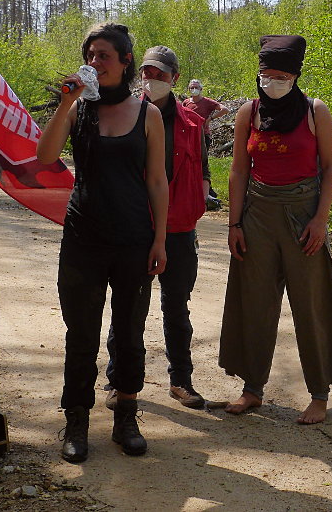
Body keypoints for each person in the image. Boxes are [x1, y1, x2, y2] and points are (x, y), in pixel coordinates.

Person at [37, 23, 168, 463]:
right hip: (83, 238)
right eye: (90, 55)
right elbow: (46, 156)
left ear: (126, 61)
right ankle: (76, 421)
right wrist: (66, 103)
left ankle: (125, 416)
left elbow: (156, 180)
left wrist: (161, 240)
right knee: (81, 333)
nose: (95, 63)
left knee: (129, 333)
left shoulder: (147, 114)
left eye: (104, 56)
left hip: (133, 239)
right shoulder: (78, 111)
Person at [219, 35, 332, 424]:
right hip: (257, 214)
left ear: (295, 76)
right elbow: (238, 170)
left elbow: (330, 168)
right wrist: (234, 223)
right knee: (254, 302)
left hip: (302, 215)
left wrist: (320, 220)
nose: (273, 82)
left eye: (281, 75)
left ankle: (319, 393)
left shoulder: (316, 111)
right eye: (267, 75)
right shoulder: (250, 111)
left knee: (312, 304)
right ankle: (252, 389)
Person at [104, 45, 210, 411]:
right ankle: (118, 378)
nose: (152, 79)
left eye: (160, 74)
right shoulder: (125, 115)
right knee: (129, 306)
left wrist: (196, 208)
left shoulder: (194, 124)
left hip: (180, 229)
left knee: (176, 308)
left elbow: (204, 173)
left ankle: (181, 380)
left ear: (174, 78)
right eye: (147, 72)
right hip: (136, 226)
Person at [182, 79, 229, 151]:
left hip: (203, 134)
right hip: (189, 135)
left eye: (196, 87)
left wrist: (211, 118)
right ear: (189, 89)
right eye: (192, 88)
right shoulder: (186, 102)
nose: (194, 89)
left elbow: (225, 110)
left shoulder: (207, 102)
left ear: (200, 89)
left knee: (202, 159)